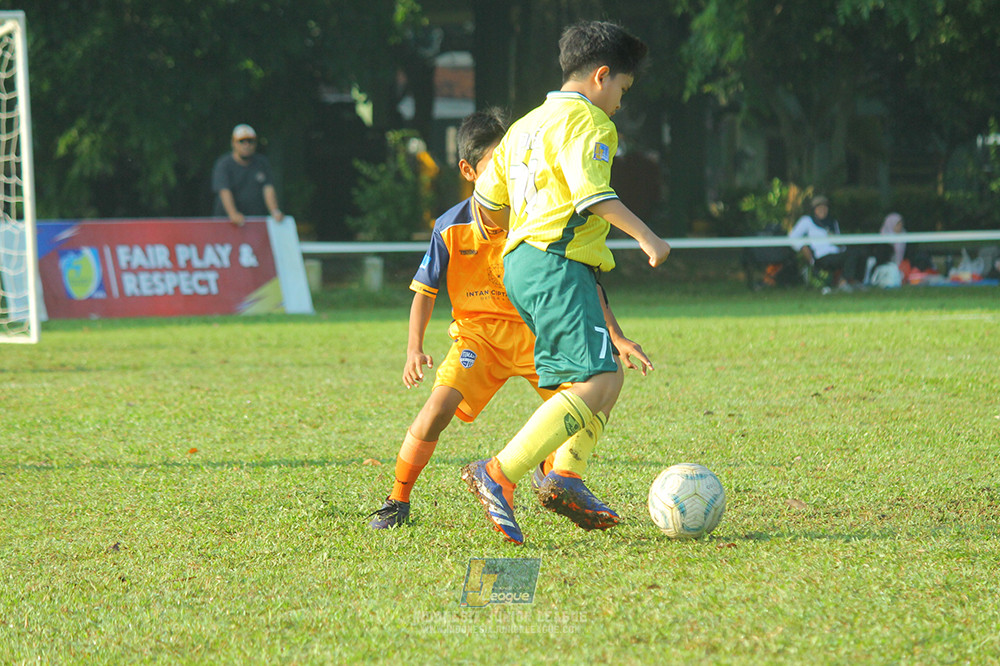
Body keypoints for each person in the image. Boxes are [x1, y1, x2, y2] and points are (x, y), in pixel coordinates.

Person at [367, 109, 653, 530]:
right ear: (469, 171)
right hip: (477, 339)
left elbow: (578, 278)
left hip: (534, 332)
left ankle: (556, 479)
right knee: (435, 410)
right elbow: (424, 291)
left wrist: (617, 336)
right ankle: (397, 499)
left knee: (591, 396)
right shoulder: (450, 227)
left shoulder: (536, 221)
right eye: (495, 166)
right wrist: (414, 348)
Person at [462, 20, 671, 545]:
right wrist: (649, 238)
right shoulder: (592, 123)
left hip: (533, 265)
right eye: (622, 89)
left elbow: (486, 203)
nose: (620, 102)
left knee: (607, 376)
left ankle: (567, 477)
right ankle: (499, 472)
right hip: (553, 263)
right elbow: (589, 196)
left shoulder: (527, 125)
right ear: (602, 76)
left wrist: (614, 331)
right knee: (595, 382)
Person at [212, 124, 284, 226]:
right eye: (241, 141)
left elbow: (268, 188)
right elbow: (224, 191)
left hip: (255, 222)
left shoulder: (262, 163)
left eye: (250, 141)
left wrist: (275, 211)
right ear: (233, 143)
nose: (246, 145)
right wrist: (233, 214)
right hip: (227, 223)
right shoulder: (224, 164)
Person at [788, 195, 864, 290]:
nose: (822, 210)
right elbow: (792, 237)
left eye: (825, 207)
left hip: (837, 254)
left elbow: (841, 245)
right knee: (850, 255)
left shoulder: (832, 222)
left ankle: (854, 281)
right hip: (821, 256)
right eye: (819, 208)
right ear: (814, 209)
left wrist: (836, 241)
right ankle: (843, 282)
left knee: (859, 252)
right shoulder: (807, 221)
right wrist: (803, 247)